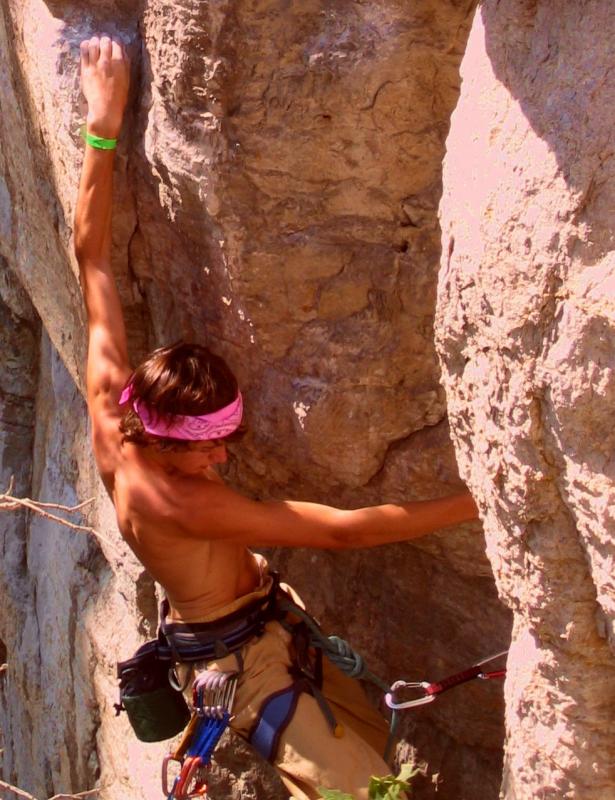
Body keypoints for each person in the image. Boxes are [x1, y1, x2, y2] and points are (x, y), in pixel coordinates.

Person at [74, 34, 479, 800]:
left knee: (388, 767)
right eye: (212, 448)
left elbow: (91, 258)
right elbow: (339, 530)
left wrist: (104, 122)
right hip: (249, 672)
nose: (223, 459)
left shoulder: (111, 410)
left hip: (266, 633)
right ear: (165, 439)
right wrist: (480, 502)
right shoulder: (181, 501)